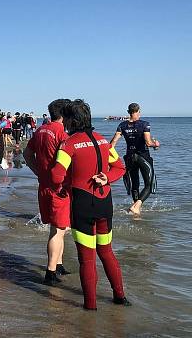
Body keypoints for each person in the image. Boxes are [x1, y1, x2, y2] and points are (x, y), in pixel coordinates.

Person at [50, 99, 129, 311]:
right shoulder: (103, 140)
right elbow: (120, 168)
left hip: (83, 205)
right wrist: (107, 178)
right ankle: (120, 298)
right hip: (105, 203)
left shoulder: (68, 144)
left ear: (70, 120)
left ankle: (90, 307)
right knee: (106, 251)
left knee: (87, 259)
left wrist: (63, 181)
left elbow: (57, 175)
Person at [24, 99, 72, 285]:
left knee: (58, 227)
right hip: (58, 187)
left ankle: (58, 264)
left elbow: (28, 155)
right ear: (64, 115)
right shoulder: (62, 134)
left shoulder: (40, 130)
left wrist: (38, 171)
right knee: (59, 230)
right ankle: (50, 272)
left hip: (43, 185)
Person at [110, 103, 160, 216]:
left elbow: (113, 143)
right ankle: (137, 205)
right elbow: (148, 142)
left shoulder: (122, 125)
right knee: (149, 184)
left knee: (135, 184)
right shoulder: (144, 124)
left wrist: (109, 158)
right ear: (138, 111)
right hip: (142, 156)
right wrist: (155, 144)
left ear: (129, 112)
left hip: (129, 157)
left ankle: (135, 208)